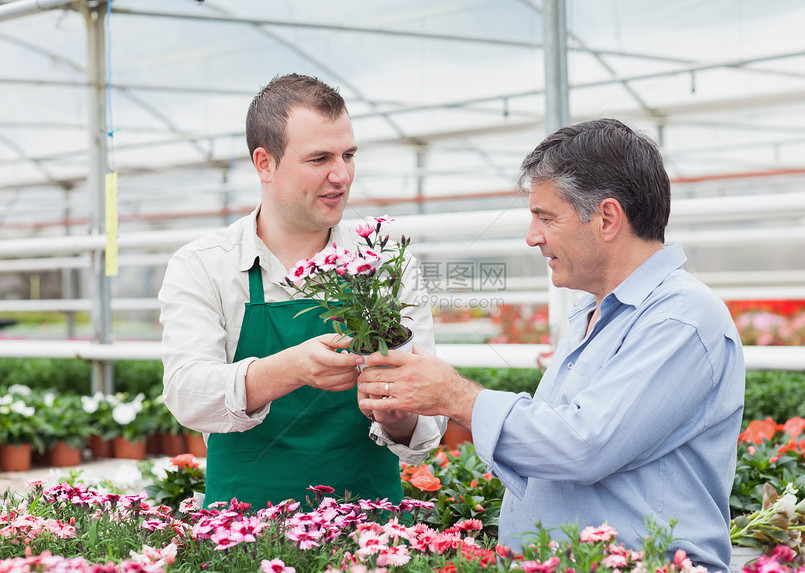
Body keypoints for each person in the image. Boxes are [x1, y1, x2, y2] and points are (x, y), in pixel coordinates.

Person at [358, 118, 744, 572]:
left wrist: (455, 397)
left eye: (546, 217)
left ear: (606, 218)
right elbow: (555, 443)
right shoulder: (591, 310)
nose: (532, 235)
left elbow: (582, 446)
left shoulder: (680, 318)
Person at [158, 73, 445, 510]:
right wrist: (291, 368)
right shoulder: (204, 265)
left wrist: (400, 415)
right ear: (265, 164)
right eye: (319, 159)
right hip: (247, 532)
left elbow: (429, 423)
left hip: (368, 531)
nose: (341, 175)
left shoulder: (384, 265)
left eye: (348, 155)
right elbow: (187, 394)